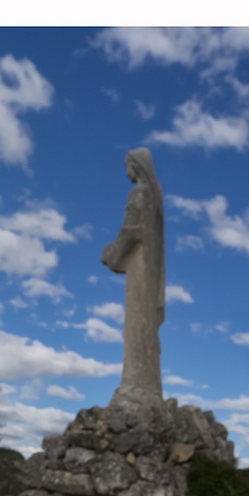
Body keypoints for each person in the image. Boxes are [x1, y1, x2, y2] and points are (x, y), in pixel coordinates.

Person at [102, 147, 165, 407]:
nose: (125, 171)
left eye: (127, 165)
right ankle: (146, 385)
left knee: (136, 327)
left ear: (136, 167)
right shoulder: (154, 197)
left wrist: (112, 254)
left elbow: (130, 232)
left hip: (139, 272)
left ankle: (135, 385)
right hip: (145, 270)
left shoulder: (139, 193)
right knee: (142, 327)